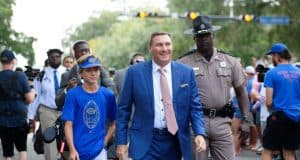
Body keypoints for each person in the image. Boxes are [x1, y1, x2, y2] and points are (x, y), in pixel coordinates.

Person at [116, 32, 206, 160]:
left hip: (175, 142)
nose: (164, 49)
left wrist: (199, 133)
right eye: (159, 45)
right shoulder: (134, 73)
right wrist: (121, 142)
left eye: (167, 44)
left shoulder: (186, 72)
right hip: (144, 141)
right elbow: (123, 110)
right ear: (150, 48)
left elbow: (195, 107)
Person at [178, 16, 250, 160]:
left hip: (222, 123)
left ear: (213, 35)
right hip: (196, 123)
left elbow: (241, 92)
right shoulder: (182, 63)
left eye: (206, 35)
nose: (204, 39)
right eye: (199, 36)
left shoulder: (230, 61)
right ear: (194, 38)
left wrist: (247, 119)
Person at [62, 54, 116, 160]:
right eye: (88, 70)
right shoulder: (73, 94)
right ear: (80, 73)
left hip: (99, 152)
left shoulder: (108, 95)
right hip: (77, 152)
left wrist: (104, 143)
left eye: (96, 69)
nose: (93, 73)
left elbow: (113, 124)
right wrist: (72, 150)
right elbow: (68, 125)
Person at [262, 43, 300, 160]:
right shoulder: (299, 72)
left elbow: (268, 101)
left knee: (267, 150)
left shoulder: (271, 73)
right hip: (297, 116)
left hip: (279, 115)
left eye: (272, 55)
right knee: (289, 153)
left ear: (277, 55)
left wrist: (271, 113)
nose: (271, 58)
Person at [28, 48, 67, 160]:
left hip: (65, 110)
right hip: (47, 110)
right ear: (48, 58)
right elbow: (36, 96)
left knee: (67, 140)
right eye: (52, 56)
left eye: (57, 56)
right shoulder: (42, 74)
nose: (55, 58)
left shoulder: (67, 72)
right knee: (49, 140)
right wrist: (31, 116)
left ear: (61, 58)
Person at [55, 40, 116, 109]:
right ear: (74, 54)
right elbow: (58, 102)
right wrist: (67, 90)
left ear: (90, 52)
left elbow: (112, 89)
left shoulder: (101, 70)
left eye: (86, 50)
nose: (84, 53)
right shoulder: (67, 75)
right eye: (81, 51)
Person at [0, 49, 36, 160]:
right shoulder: (20, 76)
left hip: (2, 120)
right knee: (22, 149)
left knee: (8, 153)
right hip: (19, 119)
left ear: (1, 62)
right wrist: (33, 90)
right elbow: (29, 99)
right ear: (13, 61)